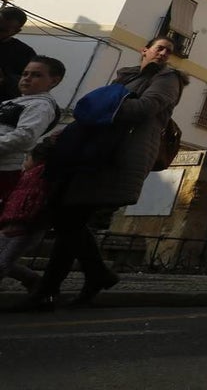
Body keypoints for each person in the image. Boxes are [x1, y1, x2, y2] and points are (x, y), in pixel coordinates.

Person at [15, 37, 187, 311]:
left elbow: (144, 109)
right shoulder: (126, 76)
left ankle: (56, 288)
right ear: (145, 50)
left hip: (116, 157)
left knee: (70, 219)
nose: (165, 53)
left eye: (169, 50)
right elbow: (91, 116)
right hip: (90, 152)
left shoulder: (169, 79)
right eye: (160, 47)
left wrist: (100, 106)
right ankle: (90, 277)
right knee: (68, 219)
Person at [0, 57, 64, 204]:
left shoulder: (40, 106)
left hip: (4, 170)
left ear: (54, 81)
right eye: (25, 74)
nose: (27, 79)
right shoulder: (12, 102)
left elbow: (25, 137)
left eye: (36, 75)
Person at [0, 138, 56, 291]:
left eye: (27, 157)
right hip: (12, 224)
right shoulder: (27, 176)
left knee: (3, 262)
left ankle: (36, 282)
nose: (25, 161)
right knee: (5, 261)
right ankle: (33, 281)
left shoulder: (41, 177)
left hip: (26, 227)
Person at [0, 6, 35, 103]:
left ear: (16, 31)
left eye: (2, 30)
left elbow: (29, 85)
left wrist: (5, 80)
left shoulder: (25, 52)